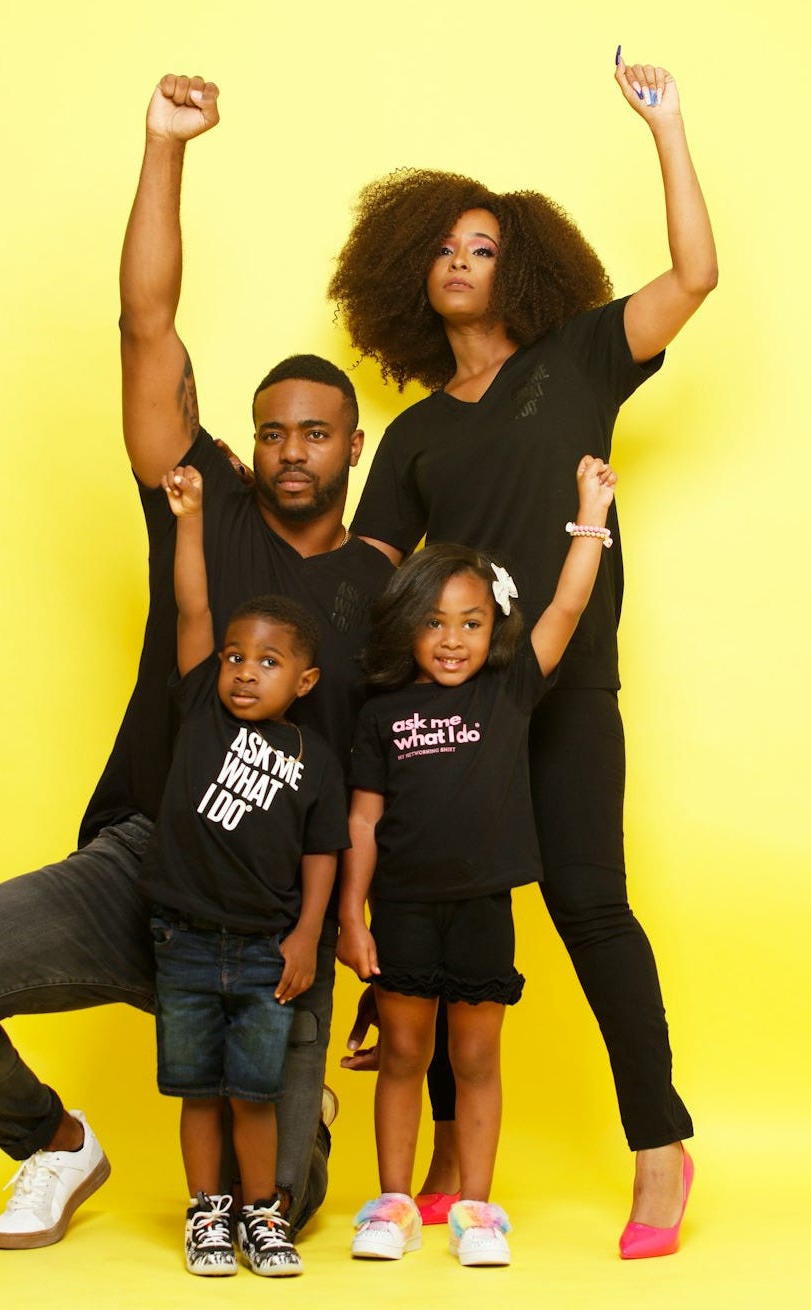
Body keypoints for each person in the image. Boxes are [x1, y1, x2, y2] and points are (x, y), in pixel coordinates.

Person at [0, 72, 391, 1250]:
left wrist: (374, 946)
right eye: (273, 430)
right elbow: (147, 327)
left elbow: (386, 778)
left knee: (278, 1207)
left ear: (354, 447)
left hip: (275, 914)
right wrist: (165, 145)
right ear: (248, 441)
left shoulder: (382, 582)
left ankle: (296, 1108)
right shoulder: (206, 503)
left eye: (317, 433)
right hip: (146, 863)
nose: (291, 450)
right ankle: (55, 1143)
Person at [329, 52, 715, 1259]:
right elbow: (362, 578)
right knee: (444, 901)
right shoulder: (413, 432)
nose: (460, 260)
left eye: (484, 246)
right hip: (456, 704)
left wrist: (666, 125)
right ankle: (452, 1152)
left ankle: (659, 1144)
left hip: (565, 679)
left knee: (589, 902)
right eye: (443, 246)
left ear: (520, 267)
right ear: (411, 271)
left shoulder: (580, 359)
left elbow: (695, 277)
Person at [339, 457, 617, 1267]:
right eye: (433, 623)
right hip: (400, 909)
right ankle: (392, 1205)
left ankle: (476, 1211)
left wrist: (590, 514)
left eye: (469, 622)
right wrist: (352, 917)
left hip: (482, 907)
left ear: (494, 626)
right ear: (407, 627)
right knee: (402, 1055)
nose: (452, 639)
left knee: (474, 1059)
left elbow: (568, 604)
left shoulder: (509, 690)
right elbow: (362, 819)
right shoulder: (382, 712)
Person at [148, 460, 348, 1277]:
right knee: (199, 1090)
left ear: (304, 681)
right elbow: (193, 606)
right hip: (185, 941)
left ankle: (261, 1214)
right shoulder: (201, 705)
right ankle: (207, 1213)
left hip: (268, 948)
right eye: (235, 656)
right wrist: (189, 519)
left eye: (267, 662)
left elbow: (323, 854)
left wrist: (306, 936)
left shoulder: (315, 758)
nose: (242, 671)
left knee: (253, 1093)